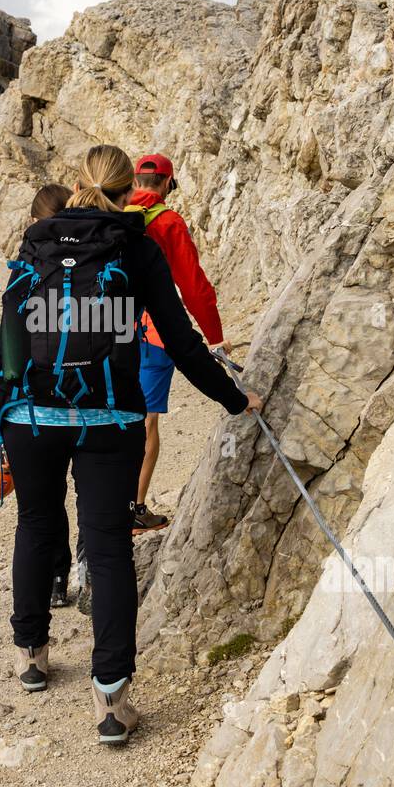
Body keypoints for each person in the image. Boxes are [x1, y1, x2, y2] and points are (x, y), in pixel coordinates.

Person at [0, 145, 262, 746]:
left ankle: (32, 656)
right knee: (107, 548)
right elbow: (183, 343)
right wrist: (236, 400)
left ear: (79, 182)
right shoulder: (134, 245)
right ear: (126, 187)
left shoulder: (36, 242)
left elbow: (7, 342)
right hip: (109, 417)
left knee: (34, 524)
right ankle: (111, 702)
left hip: (30, 415)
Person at [127, 153, 232, 533]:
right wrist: (215, 337)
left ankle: (102, 504)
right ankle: (134, 507)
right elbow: (193, 287)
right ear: (169, 184)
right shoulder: (168, 222)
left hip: (112, 330)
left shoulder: (113, 211)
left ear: (135, 180)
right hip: (155, 333)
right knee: (145, 420)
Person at [26, 183, 79, 608]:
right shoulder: (98, 255)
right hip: (98, 401)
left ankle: (57, 578)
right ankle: (89, 568)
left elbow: (9, 343)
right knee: (92, 493)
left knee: (45, 505)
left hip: (42, 405)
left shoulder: (32, 262)